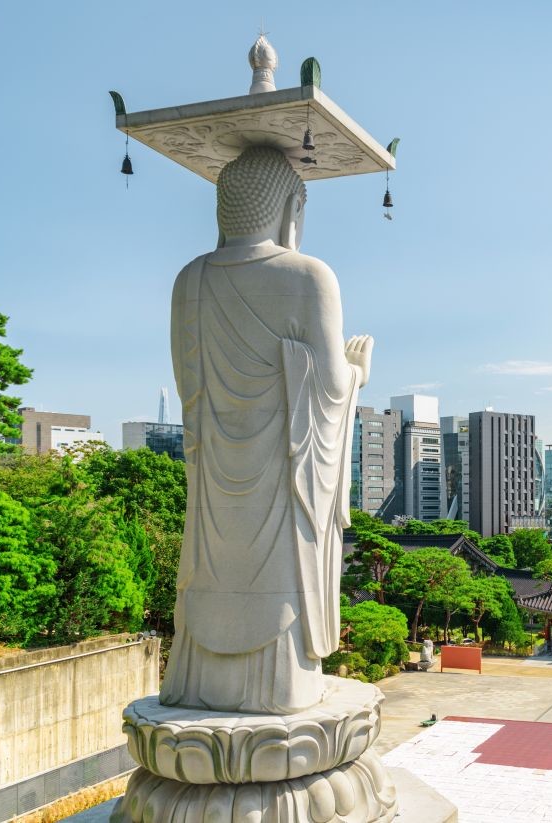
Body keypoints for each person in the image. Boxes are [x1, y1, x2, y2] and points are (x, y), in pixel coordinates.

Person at [160, 146, 373, 714]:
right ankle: (281, 686)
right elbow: (328, 387)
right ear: (287, 210)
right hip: (281, 487)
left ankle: (198, 680)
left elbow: (191, 395)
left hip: (212, 492)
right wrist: (356, 376)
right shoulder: (308, 276)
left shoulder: (189, 281)